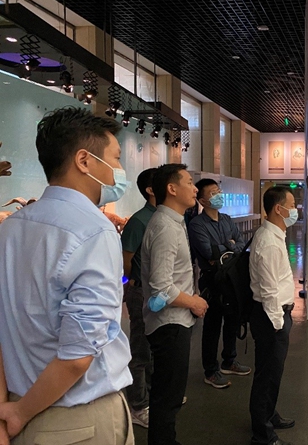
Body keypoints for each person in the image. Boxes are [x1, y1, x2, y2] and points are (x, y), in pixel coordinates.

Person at [0, 106, 133, 444]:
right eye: (116, 159)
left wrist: (11, 410)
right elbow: (78, 355)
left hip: (19, 407)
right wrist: (21, 412)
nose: (119, 171)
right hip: (77, 418)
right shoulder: (94, 231)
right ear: (84, 161)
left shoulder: (11, 228)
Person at [141, 163, 208, 445]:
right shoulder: (165, 227)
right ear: (171, 188)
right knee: (167, 396)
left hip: (176, 322)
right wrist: (194, 302)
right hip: (169, 324)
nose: (194, 189)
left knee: (170, 394)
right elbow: (161, 286)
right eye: (189, 182)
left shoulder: (175, 222)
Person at [188, 178, 251, 389]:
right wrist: (229, 246)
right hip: (212, 278)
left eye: (219, 191)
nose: (219, 196)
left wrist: (226, 248)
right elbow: (209, 252)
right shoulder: (197, 224)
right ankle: (210, 370)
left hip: (232, 276)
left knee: (233, 318)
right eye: (213, 193)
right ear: (203, 201)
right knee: (213, 324)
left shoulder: (226, 219)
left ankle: (229, 360)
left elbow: (241, 244)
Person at [249, 186, 297, 445]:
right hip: (271, 318)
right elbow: (269, 291)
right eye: (292, 205)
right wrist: (278, 324)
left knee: (272, 373)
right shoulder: (268, 242)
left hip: (275, 315)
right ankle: (262, 434)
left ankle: (268, 414)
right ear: (279, 209)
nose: (295, 210)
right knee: (266, 376)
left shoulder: (274, 235)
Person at [121, 167, 157, 427]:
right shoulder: (139, 221)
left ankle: (154, 396)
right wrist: (134, 280)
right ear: (151, 190)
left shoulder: (166, 218)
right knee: (141, 348)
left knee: (155, 346)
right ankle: (138, 404)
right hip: (141, 290)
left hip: (158, 291)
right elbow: (127, 259)